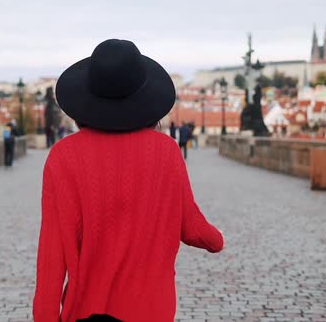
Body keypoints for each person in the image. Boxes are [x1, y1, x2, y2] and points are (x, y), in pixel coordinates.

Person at [33, 39, 224, 322]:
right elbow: (191, 226)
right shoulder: (166, 151)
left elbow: (52, 252)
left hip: (85, 311)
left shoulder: (64, 156)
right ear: (146, 99)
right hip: (151, 312)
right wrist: (215, 240)